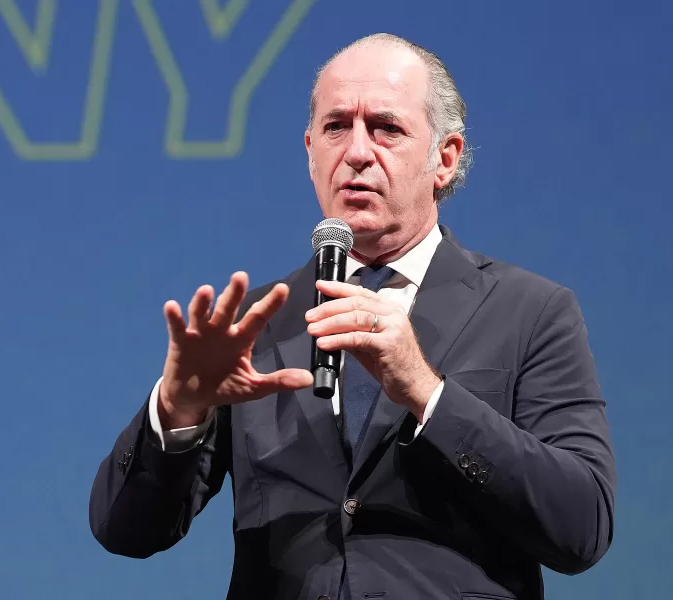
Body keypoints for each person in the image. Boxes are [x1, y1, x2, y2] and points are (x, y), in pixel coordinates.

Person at [89, 33, 616, 600]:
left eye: (386, 128)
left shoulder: (530, 311)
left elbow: (581, 527)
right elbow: (127, 531)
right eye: (337, 127)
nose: (357, 152)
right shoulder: (255, 323)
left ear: (445, 158)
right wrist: (176, 410)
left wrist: (426, 391)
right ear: (311, 151)